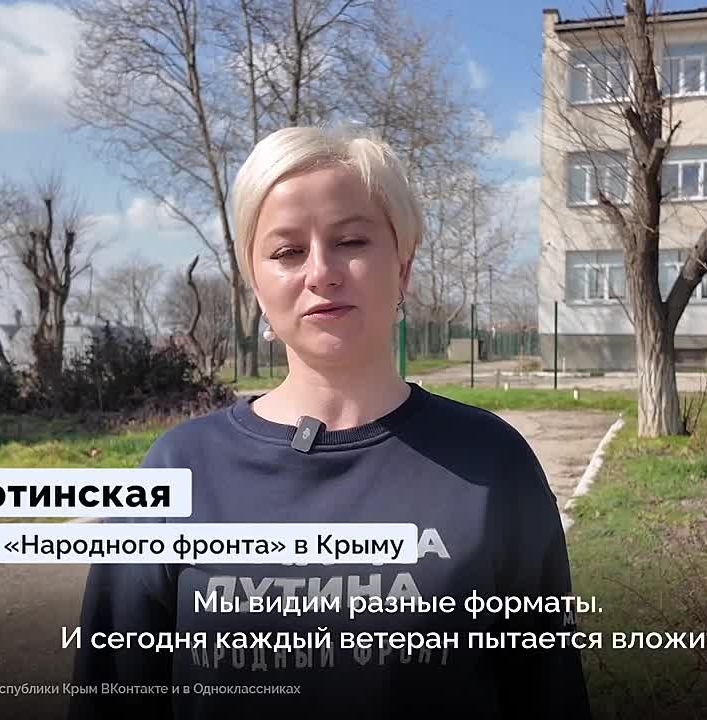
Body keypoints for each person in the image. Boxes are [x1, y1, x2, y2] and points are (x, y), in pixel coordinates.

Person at [69, 126, 592, 720]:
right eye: (287, 251)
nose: (321, 271)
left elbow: (549, 696)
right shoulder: (176, 472)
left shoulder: (494, 465)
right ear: (256, 285)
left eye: (350, 241)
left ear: (403, 268)